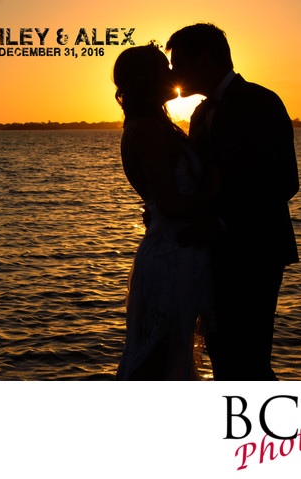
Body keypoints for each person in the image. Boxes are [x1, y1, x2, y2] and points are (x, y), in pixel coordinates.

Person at [167, 23, 299, 380]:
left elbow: (284, 181)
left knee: (249, 359)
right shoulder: (199, 114)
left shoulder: (259, 101)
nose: (172, 72)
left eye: (178, 63)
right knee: (224, 359)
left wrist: (223, 222)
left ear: (205, 58)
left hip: (256, 251)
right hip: (212, 256)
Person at [113, 42, 218, 380]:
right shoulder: (146, 131)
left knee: (172, 358)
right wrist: (220, 190)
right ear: (146, 79)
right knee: (157, 362)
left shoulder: (155, 126)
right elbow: (170, 204)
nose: (172, 73)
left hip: (180, 251)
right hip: (172, 259)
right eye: (164, 68)